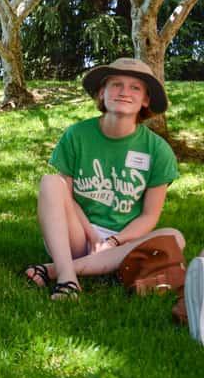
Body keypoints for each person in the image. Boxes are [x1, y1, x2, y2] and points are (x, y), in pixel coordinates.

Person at [24, 58, 183, 300]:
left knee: (174, 237)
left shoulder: (157, 149)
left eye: (135, 88)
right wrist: (93, 237)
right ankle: (68, 281)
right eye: (116, 84)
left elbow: (150, 216)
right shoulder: (77, 135)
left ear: (145, 100)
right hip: (75, 235)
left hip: (123, 242)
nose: (124, 92)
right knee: (50, 182)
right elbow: (65, 196)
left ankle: (55, 270)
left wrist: (113, 241)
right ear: (102, 93)